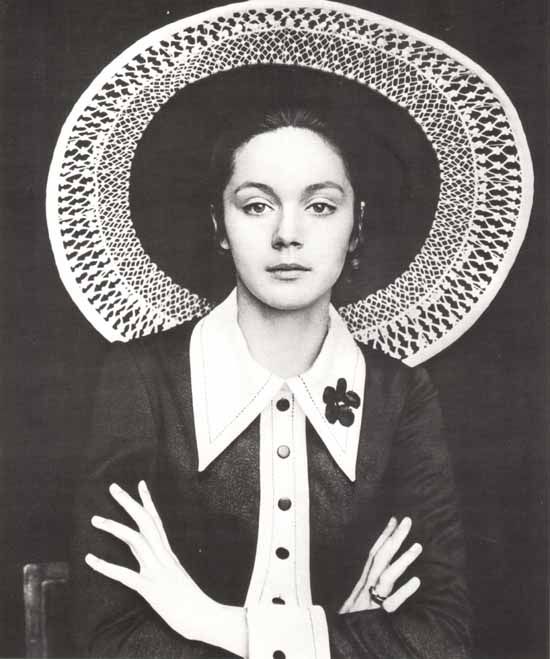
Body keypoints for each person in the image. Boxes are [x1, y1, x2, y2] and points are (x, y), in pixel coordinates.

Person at [71, 107, 472, 659]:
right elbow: (106, 641)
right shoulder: (141, 381)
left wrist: (210, 622)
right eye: (257, 206)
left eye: (321, 206)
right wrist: (335, 639)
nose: (287, 235)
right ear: (219, 225)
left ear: (356, 225)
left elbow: (442, 640)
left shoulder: (402, 396)